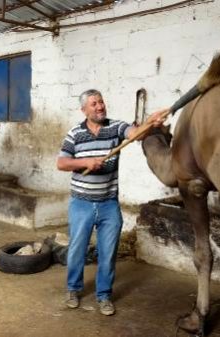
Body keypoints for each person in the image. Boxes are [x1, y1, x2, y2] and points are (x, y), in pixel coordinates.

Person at [56, 89, 167, 316]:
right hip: (81, 204)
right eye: (94, 103)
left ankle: (104, 295)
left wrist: (150, 124)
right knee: (76, 249)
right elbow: (61, 163)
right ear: (84, 109)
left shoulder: (115, 127)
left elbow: (135, 134)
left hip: (108, 204)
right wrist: (85, 161)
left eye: (101, 102)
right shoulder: (75, 134)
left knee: (108, 252)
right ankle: (73, 289)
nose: (99, 106)